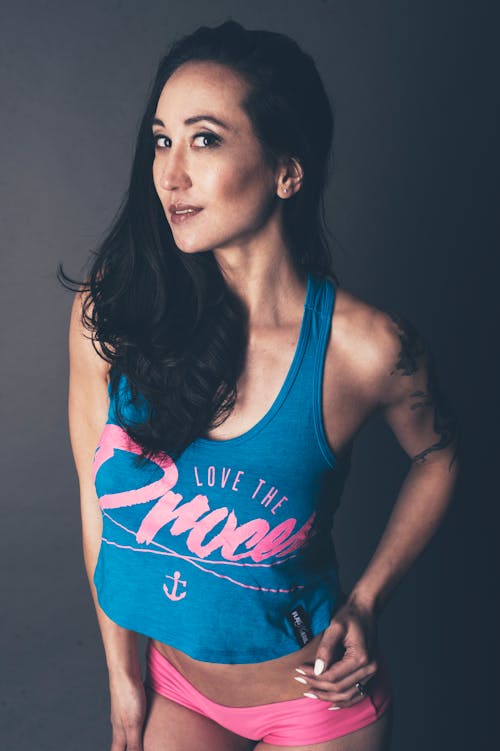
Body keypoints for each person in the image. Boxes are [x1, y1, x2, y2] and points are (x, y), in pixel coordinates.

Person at [60, 19, 460, 751]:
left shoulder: (369, 349)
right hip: (176, 687)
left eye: (204, 139)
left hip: (316, 702)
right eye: (161, 139)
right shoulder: (114, 316)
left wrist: (368, 601)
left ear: (287, 171)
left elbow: (439, 456)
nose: (170, 173)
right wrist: (124, 675)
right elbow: (99, 498)